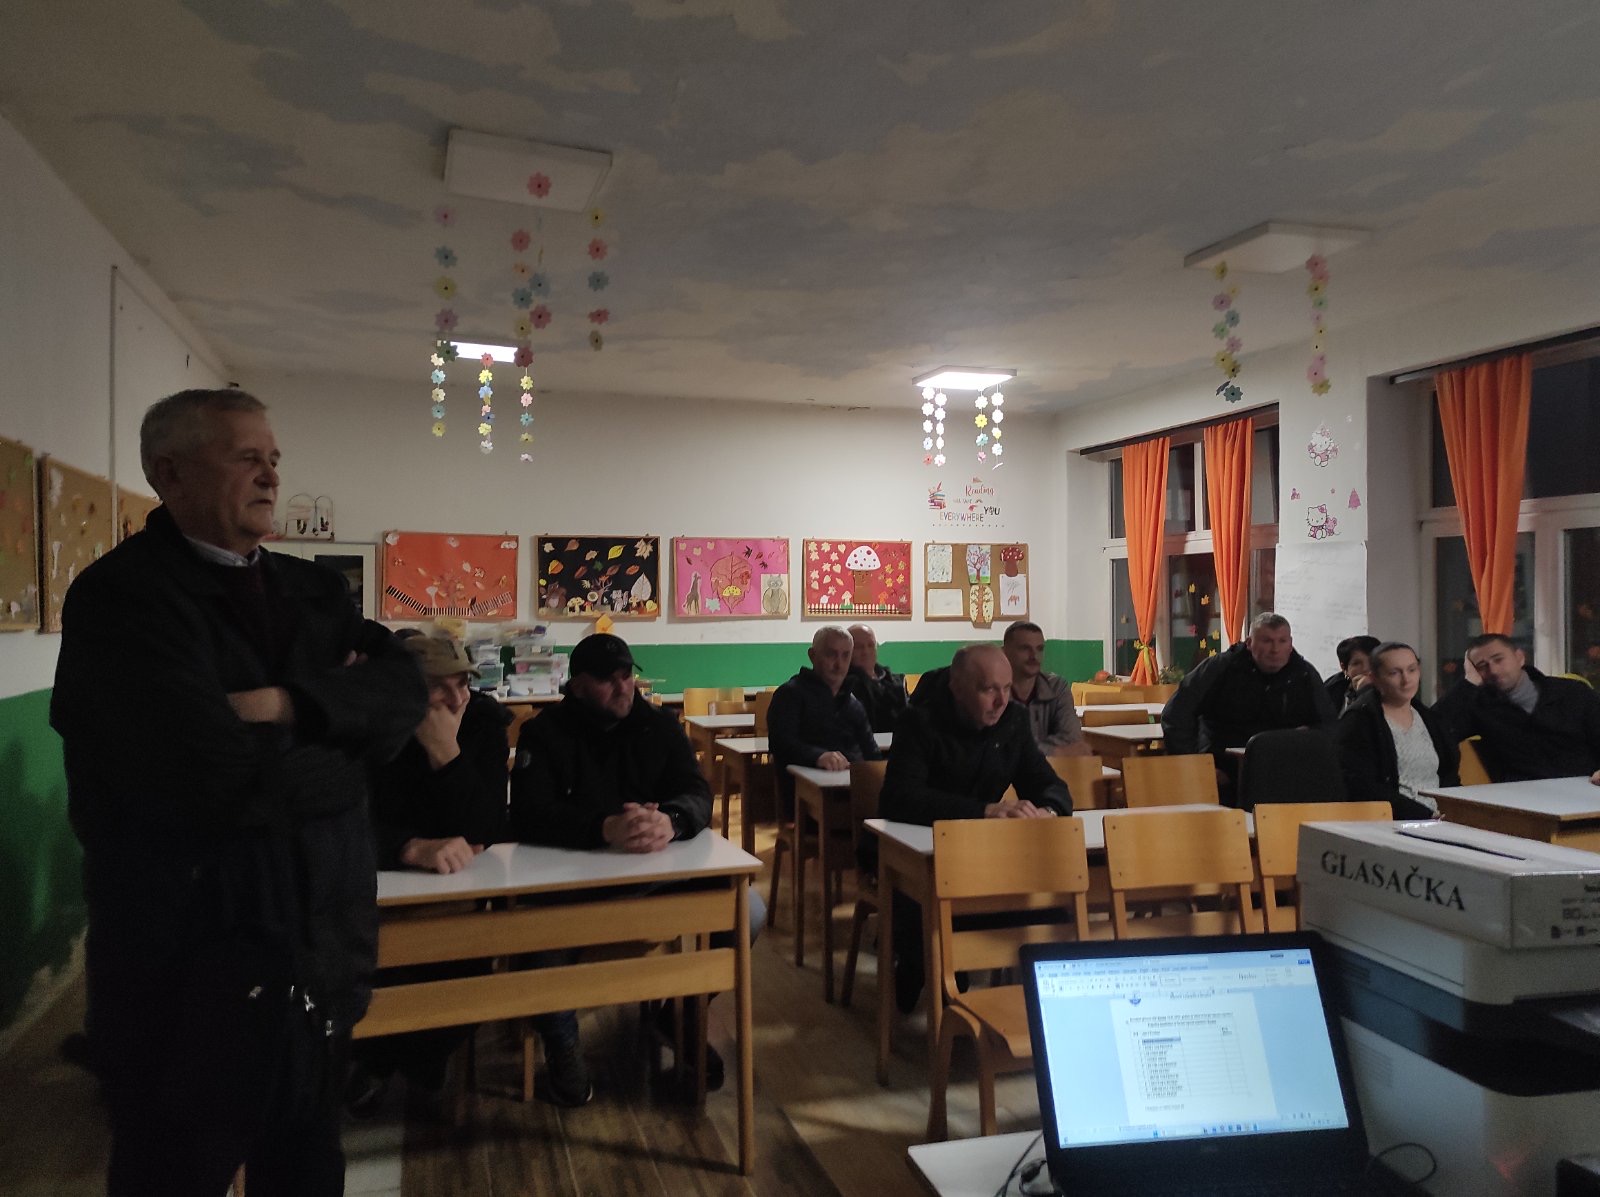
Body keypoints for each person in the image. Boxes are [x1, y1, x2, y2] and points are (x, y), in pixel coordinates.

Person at [51, 388, 427, 1196]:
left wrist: (288, 706)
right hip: (186, 978)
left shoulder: (314, 592)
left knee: (308, 1174)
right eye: (246, 456)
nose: (270, 474)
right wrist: (347, 751)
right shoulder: (121, 599)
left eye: (273, 458)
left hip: (320, 958)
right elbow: (207, 777)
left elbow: (405, 691)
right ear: (170, 473)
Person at [508, 633, 765, 1104]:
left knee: (748, 909)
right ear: (577, 685)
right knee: (532, 934)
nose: (623, 686)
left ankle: (682, 1016)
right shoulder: (544, 732)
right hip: (570, 885)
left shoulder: (659, 725)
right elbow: (527, 814)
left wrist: (671, 820)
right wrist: (604, 827)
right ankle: (561, 1039)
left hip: (653, 878)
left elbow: (696, 791)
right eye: (607, 680)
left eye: (627, 675)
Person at [346, 633, 512, 1117]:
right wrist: (408, 846)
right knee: (367, 968)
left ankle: (394, 1062)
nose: (456, 698)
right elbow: (347, 823)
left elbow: (488, 827)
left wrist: (447, 753)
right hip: (373, 894)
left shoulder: (482, 723)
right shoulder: (367, 727)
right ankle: (401, 1060)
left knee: (471, 973)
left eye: (463, 683)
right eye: (439, 686)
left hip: (455, 896)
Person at [879, 643, 1073, 1009]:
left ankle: (1039, 1010)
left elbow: (1050, 786)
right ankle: (928, 983)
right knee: (930, 936)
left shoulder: (1013, 720)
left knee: (1056, 913)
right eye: (988, 690)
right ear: (957, 687)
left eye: (1007, 688)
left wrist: (1046, 813)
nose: (1001, 701)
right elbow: (900, 799)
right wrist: (984, 811)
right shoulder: (919, 721)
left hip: (987, 859)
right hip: (920, 856)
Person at [1161, 612, 1337, 774]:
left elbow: (1329, 724)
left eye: (1282, 641)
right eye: (1267, 641)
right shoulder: (1221, 668)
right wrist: (1197, 766)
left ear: (1290, 644)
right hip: (1223, 768)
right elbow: (1176, 714)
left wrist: (1308, 736)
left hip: (1286, 769)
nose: (1275, 649)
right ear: (1249, 643)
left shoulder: (1304, 674)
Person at [1435, 633, 1600, 784]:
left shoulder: (1572, 692)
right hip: (1522, 797)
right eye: (1482, 666)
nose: (1493, 670)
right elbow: (1433, 731)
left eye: (1498, 659)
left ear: (1520, 658)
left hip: (1586, 789)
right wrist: (1468, 683)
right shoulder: (1480, 707)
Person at [1336, 642, 1456, 818]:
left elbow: (1449, 774)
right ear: (1374, 678)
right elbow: (1362, 786)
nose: (1406, 680)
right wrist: (1426, 815)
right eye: (1394, 673)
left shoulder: (1430, 718)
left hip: (1441, 818)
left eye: (1412, 670)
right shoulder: (1360, 720)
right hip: (1392, 820)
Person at [767, 625, 881, 774]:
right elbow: (781, 744)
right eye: (831, 654)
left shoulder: (853, 704)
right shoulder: (789, 695)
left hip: (853, 782)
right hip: (804, 783)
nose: (839, 664)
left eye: (846, 656)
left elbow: (871, 753)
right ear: (812, 655)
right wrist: (818, 756)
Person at [1001, 621, 1089, 755]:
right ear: (1005, 652)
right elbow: (997, 746)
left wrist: (1025, 750)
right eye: (1025, 648)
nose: (1034, 656)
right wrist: (1057, 752)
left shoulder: (1057, 687)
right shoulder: (992, 691)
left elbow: (1072, 738)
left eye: (1039, 649)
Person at [841, 622, 908, 733]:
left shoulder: (894, 680)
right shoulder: (843, 684)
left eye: (870, 645)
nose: (866, 651)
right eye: (858, 647)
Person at [1326, 635, 1381, 714]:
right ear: (1344, 668)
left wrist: (1366, 691)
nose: (1366, 668)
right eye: (1357, 663)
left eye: (1372, 661)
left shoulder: (1392, 689)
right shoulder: (1331, 690)